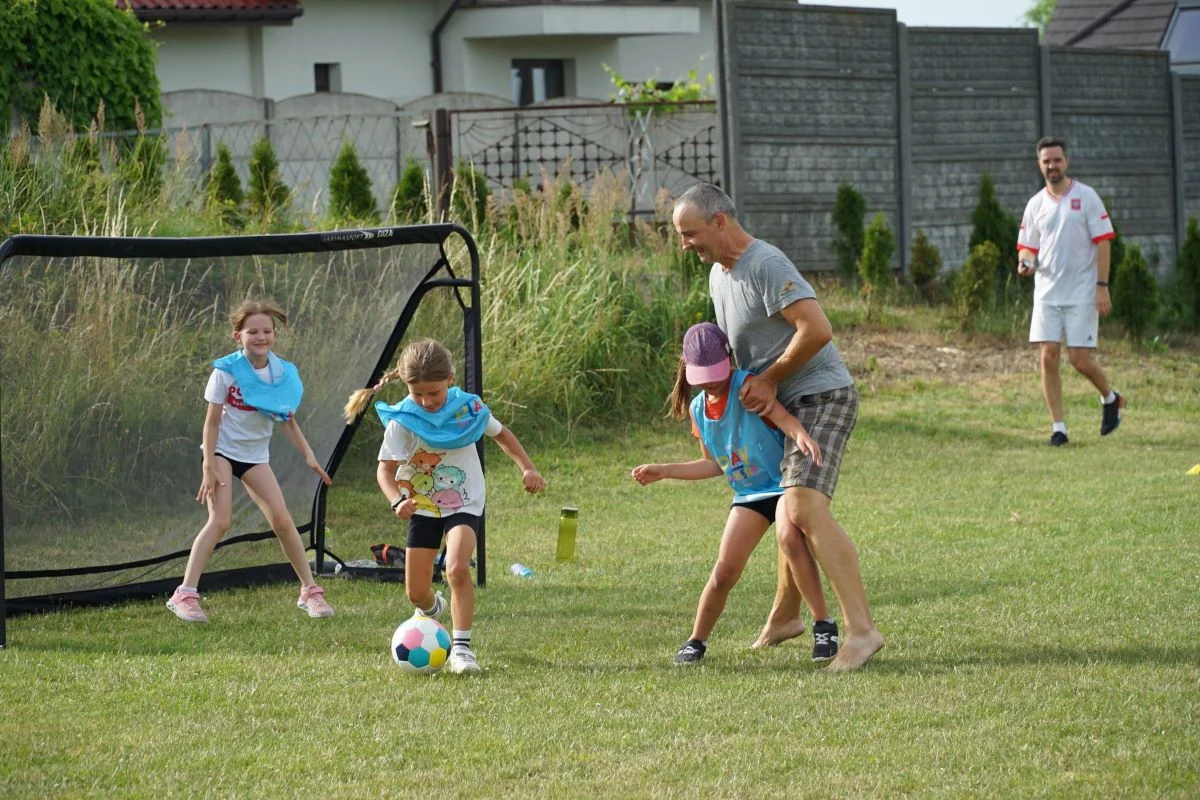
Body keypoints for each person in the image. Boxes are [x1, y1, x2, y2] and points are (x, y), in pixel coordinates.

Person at [672, 183, 884, 672]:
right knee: (787, 517)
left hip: (820, 396)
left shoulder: (766, 264)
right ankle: (788, 616)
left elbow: (817, 329)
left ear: (720, 221)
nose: (686, 244)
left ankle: (861, 631)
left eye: (690, 233)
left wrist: (768, 381)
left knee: (803, 509)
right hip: (779, 406)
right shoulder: (719, 277)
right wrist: (714, 408)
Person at [632, 322, 839, 665]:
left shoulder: (748, 387)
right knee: (724, 571)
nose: (713, 382)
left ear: (729, 360)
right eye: (704, 377)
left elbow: (782, 417)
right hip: (749, 495)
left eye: (717, 373)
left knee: (790, 540)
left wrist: (800, 434)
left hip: (782, 483)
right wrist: (665, 470)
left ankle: (823, 624)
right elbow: (714, 465)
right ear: (688, 370)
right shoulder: (699, 410)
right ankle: (696, 641)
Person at [344, 338, 545, 674]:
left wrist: (527, 467)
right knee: (416, 593)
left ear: (450, 379)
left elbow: (502, 434)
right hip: (421, 506)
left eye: (434, 393)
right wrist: (397, 500)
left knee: (456, 568)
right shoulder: (404, 419)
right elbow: (385, 470)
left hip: (464, 502)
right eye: (418, 394)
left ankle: (462, 650)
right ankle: (434, 610)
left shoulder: (468, 409)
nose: (426, 401)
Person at [167, 300, 334, 622]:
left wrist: (309, 456)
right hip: (221, 452)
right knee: (221, 520)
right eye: (253, 331)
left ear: (275, 334)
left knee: (283, 521)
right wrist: (208, 464)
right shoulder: (226, 372)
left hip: (255, 456)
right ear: (237, 336)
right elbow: (212, 423)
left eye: (267, 331)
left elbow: (286, 420)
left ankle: (309, 591)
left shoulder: (281, 373)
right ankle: (184, 594)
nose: (261, 337)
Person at [1017, 136, 1122, 446]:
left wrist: (1101, 287)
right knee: (1048, 356)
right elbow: (1026, 247)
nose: (1052, 166)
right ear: (1039, 165)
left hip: (1081, 292)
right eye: (1046, 161)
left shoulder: (1087, 197)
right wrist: (1025, 263)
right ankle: (1058, 428)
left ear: (1067, 162)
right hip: (1047, 293)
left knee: (1079, 360)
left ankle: (1111, 397)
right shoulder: (1035, 204)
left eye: (1057, 160)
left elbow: (1103, 241)